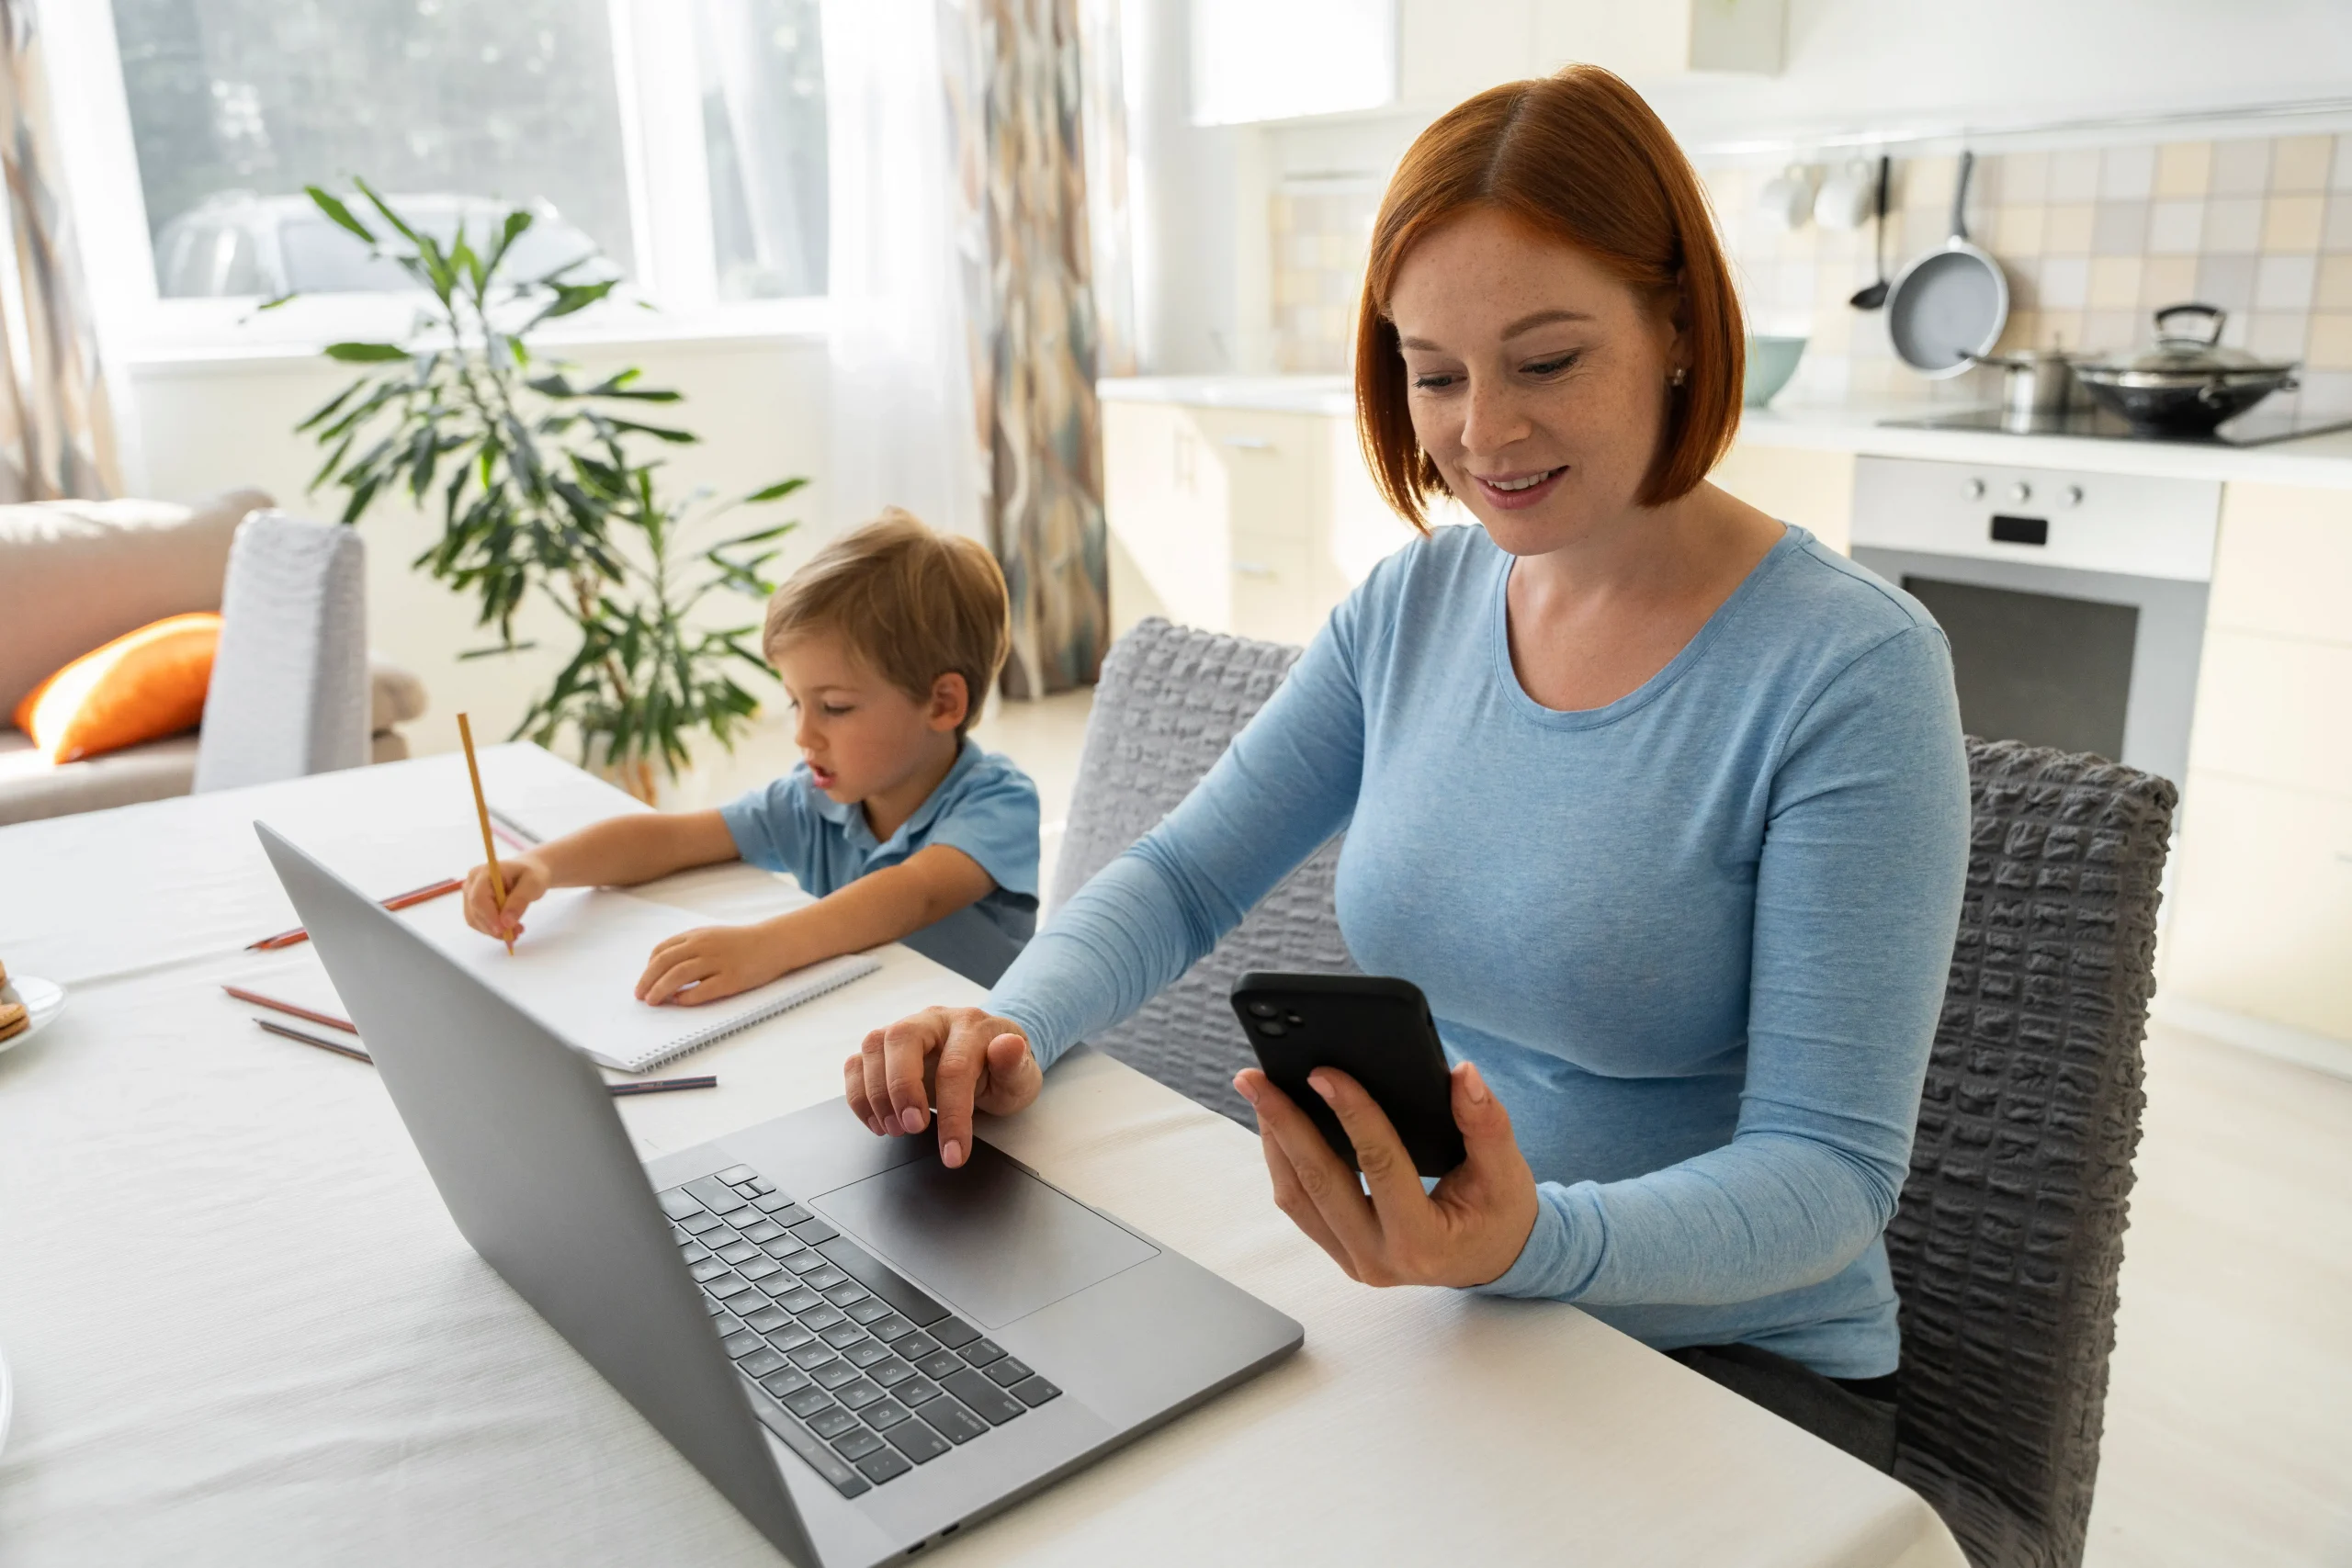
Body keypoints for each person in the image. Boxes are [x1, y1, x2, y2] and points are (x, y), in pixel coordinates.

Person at [842, 67, 1969, 1469]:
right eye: (1435, 373)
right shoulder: (1414, 605)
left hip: (1731, 1367)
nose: (1482, 433)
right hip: (1467, 1296)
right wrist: (1006, 1028)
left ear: (1678, 325)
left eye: (1546, 361)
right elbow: (1187, 876)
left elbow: (1830, 1174)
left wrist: (1531, 1239)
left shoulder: (1851, 672)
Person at [461, 509, 1042, 994]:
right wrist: (544, 865)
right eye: (795, 703)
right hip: (866, 1046)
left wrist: (767, 945)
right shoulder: (812, 800)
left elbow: (913, 895)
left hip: (987, 1070)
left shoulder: (998, 801)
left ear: (942, 703)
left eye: (834, 707)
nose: (803, 734)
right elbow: (674, 837)